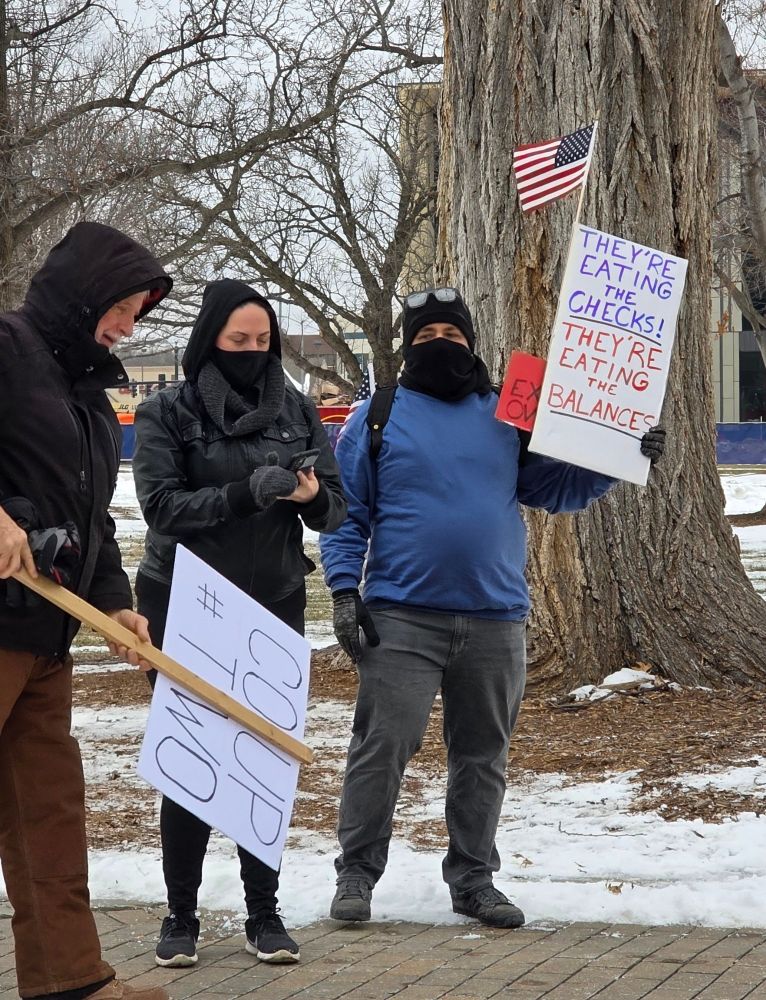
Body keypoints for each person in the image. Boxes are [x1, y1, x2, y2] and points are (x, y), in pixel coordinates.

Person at [319, 287, 666, 929]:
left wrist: (621, 461)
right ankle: (357, 875)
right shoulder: (378, 416)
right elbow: (345, 517)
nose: (440, 347)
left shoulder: (511, 414)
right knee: (381, 748)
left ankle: (474, 879)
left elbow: (554, 490)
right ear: (406, 347)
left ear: (471, 342)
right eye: (425, 339)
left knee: (482, 756)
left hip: (495, 617)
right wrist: (345, 591)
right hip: (400, 616)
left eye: (451, 337)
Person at [131, 278, 347, 968]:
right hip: (187, 601)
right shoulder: (167, 409)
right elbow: (163, 508)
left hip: (273, 601)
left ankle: (264, 911)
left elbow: (338, 510)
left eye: (263, 342)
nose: (253, 352)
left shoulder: (299, 411)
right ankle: (181, 915)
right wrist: (241, 494)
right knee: (192, 754)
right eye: (238, 342)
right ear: (210, 341)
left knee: (262, 757)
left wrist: (312, 499)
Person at [0, 221, 173, 1000]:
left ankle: (69, 981)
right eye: (123, 306)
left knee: (48, 816)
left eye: (138, 314)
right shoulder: (6, 348)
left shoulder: (92, 397)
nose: (129, 326)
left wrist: (117, 607)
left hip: (46, 635)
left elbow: (94, 520)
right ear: (84, 293)